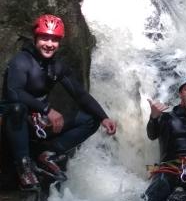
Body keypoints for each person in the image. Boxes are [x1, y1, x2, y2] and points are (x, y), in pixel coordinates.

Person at [1, 14, 117, 191]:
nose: (49, 44)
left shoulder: (57, 66)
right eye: (44, 38)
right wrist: (47, 109)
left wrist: (104, 117)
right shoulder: (21, 61)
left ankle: (47, 154)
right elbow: (14, 92)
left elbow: (80, 95)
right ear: (35, 38)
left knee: (90, 119)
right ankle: (24, 166)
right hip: (15, 123)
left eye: (54, 40)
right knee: (16, 108)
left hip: (39, 125)